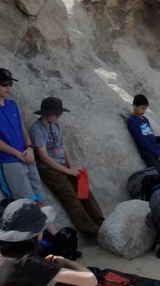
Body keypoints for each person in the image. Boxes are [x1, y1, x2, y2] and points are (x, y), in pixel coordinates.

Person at [30, 97, 105, 238]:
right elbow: (44, 157)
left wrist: (71, 167)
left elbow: (63, 147)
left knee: (84, 187)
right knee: (70, 196)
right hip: (48, 168)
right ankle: (92, 231)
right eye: (57, 114)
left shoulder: (56, 125)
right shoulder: (36, 129)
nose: (59, 116)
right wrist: (67, 171)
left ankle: (101, 222)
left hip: (63, 164)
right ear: (47, 113)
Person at [0, 68, 46, 205]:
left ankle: (52, 228)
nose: (8, 87)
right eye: (4, 84)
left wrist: (29, 147)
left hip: (26, 156)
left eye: (10, 84)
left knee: (40, 199)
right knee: (26, 204)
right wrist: (16, 153)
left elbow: (22, 129)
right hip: (8, 160)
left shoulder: (13, 104)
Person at [126, 94, 160, 182]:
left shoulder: (145, 120)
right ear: (135, 106)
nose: (144, 111)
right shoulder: (132, 121)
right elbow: (142, 140)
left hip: (157, 151)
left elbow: (151, 138)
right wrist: (157, 154)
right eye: (142, 108)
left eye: (145, 108)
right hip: (148, 154)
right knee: (159, 177)